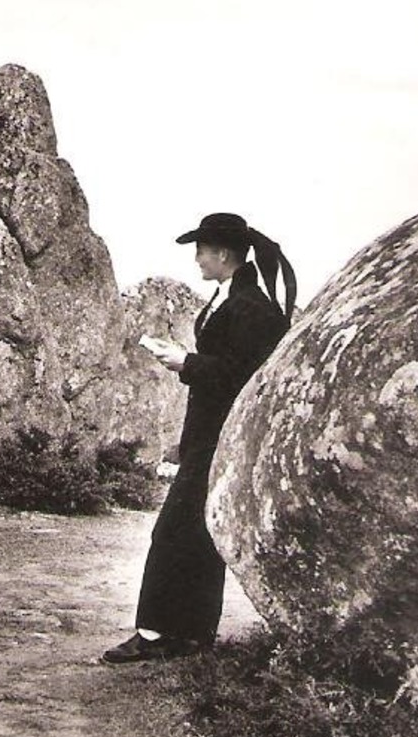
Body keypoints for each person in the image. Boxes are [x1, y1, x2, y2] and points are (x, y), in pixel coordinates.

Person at [103, 213, 296, 664]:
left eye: (201, 250)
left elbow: (241, 374)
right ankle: (191, 635)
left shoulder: (251, 307)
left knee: (172, 532)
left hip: (220, 436)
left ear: (223, 254)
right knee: (196, 533)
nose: (196, 259)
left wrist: (186, 363)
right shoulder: (235, 297)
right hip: (208, 434)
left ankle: (155, 634)